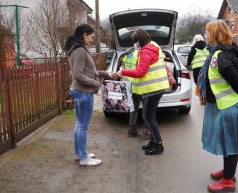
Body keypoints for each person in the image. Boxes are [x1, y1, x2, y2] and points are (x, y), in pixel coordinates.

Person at [196, 20, 238, 192]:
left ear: (216, 35)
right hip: (224, 104)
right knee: (227, 141)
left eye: (207, 32)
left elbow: (237, 83)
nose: (205, 35)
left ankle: (228, 180)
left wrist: (236, 95)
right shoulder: (217, 52)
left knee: (230, 142)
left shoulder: (220, 56)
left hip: (227, 106)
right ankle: (228, 171)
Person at [64, 24, 111, 166]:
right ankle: (84, 158)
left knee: (79, 125)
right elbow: (77, 74)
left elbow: (87, 70)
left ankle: (80, 153)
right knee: (82, 126)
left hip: (79, 91)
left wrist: (105, 74)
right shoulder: (79, 50)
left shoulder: (78, 49)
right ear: (84, 35)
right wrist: (96, 84)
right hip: (83, 92)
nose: (92, 40)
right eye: (91, 37)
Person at [116, 29, 169, 155]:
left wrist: (123, 71)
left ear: (139, 41)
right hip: (155, 88)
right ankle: (153, 141)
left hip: (153, 89)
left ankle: (158, 144)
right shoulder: (152, 47)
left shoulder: (146, 51)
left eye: (135, 42)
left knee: (148, 117)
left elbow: (140, 72)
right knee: (149, 117)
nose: (134, 44)